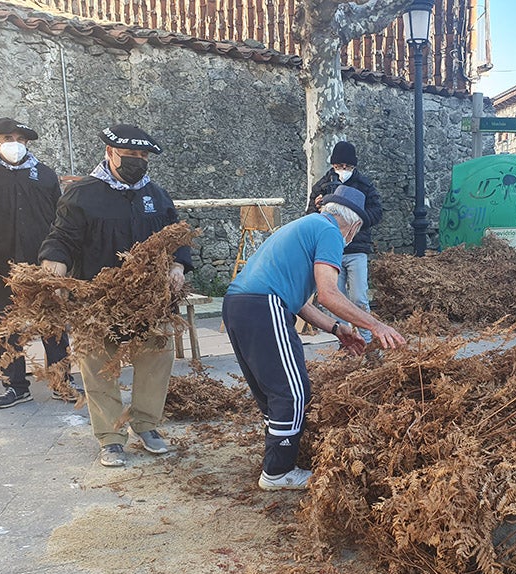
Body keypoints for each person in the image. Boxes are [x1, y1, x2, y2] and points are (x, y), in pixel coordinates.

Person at [223, 185, 406, 491]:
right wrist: (375, 326)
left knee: (273, 391)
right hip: (264, 305)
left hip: (240, 305)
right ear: (355, 225)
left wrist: (337, 329)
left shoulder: (307, 225)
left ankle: (276, 458)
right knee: (293, 391)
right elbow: (329, 294)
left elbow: (302, 303)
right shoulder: (330, 233)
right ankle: (278, 472)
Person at [38, 124, 193, 468]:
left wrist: (179, 265)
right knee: (97, 365)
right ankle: (110, 438)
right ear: (110, 153)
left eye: (142, 156)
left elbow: (176, 237)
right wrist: (54, 263)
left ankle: (146, 424)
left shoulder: (156, 196)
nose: (137, 162)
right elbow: (62, 236)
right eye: (130, 155)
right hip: (98, 298)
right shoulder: (83, 195)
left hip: (148, 300)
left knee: (157, 356)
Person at [0, 117, 75, 409]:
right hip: (1, 265)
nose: (15, 144)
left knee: (53, 322)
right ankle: (15, 385)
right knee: (8, 325)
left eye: (21, 139)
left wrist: (62, 258)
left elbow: (59, 221)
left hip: (43, 263)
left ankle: (62, 380)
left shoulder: (44, 175)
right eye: (8, 138)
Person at [306, 141, 383, 343]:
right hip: (332, 251)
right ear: (333, 165)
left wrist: (358, 219)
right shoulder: (322, 186)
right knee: (336, 298)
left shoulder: (365, 185)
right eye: (339, 166)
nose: (343, 170)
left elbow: (377, 212)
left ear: (354, 166)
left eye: (347, 167)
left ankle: (366, 339)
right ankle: (345, 340)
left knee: (359, 296)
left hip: (357, 247)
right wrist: (317, 207)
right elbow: (310, 216)